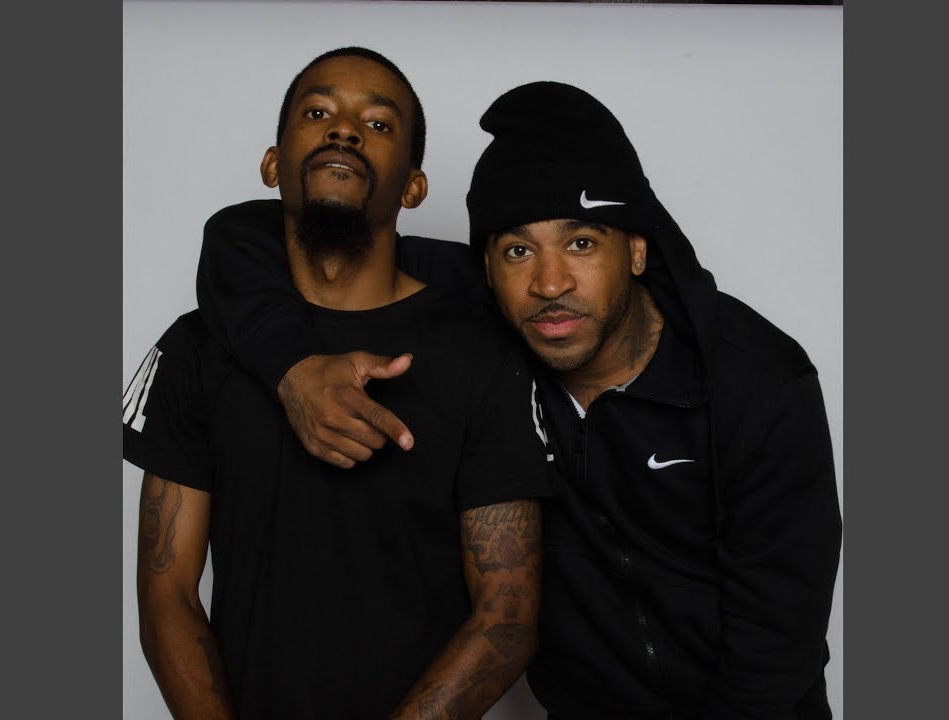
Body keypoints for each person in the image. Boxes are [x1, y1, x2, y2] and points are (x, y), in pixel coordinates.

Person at [197, 81, 842, 718]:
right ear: (486, 268)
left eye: (581, 243)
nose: (549, 283)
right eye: (517, 250)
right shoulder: (491, 326)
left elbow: (774, 649)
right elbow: (248, 236)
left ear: (637, 248)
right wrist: (292, 367)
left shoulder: (756, 384)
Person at [123, 47, 552, 720]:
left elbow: (507, 614)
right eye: (318, 113)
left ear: (414, 186)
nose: (345, 130)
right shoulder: (196, 348)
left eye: (378, 124)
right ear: (272, 164)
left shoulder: (481, 353)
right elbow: (166, 590)